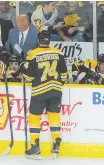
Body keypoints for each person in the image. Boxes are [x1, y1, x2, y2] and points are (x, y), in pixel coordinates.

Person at [19, 31, 68, 159]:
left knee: (34, 118)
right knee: (54, 116)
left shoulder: (33, 53)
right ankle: (56, 143)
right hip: (56, 90)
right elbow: (64, 74)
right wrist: (58, 83)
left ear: (38, 40)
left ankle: (35, 148)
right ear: (49, 40)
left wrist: (22, 66)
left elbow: (29, 77)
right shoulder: (58, 52)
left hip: (40, 91)